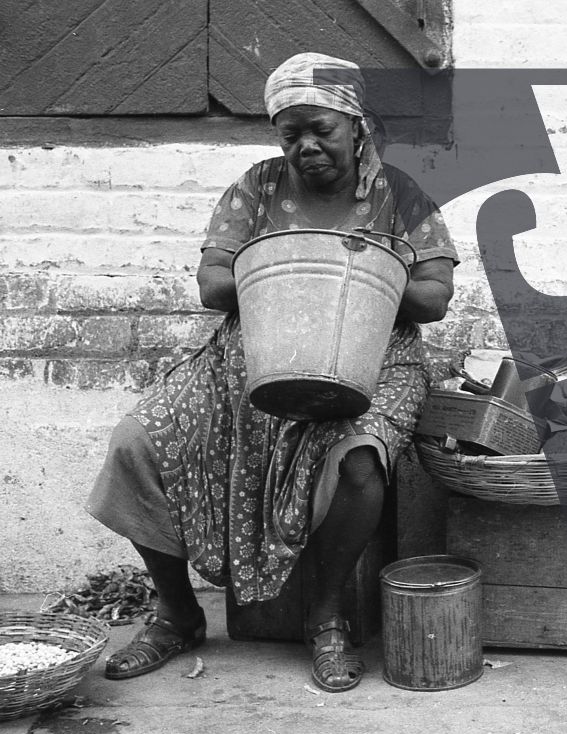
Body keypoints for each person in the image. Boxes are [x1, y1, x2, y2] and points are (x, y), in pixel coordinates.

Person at [86, 52, 458, 693]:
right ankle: (177, 612)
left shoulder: (400, 195)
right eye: (291, 135)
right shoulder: (256, 187)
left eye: (321, 129)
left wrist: (357, 279)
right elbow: (211, 282)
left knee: (361, 461)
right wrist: (283, 278)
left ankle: (326, 618)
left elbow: (435, 294)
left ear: (356, 124)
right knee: (135, 441)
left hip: (375, 357)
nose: (306, 146)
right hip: (253, 352)